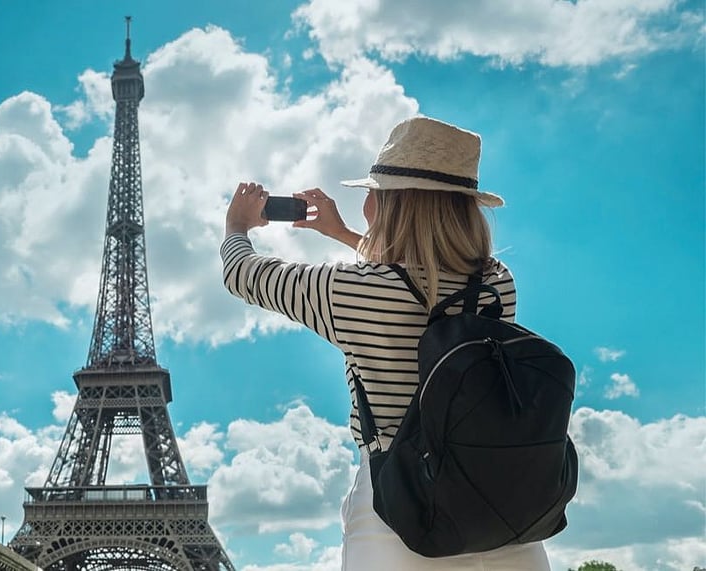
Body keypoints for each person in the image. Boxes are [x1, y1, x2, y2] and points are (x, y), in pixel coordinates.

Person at [221, 116, 550, 570]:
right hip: (505, 511)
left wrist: (236, 227)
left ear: (393, 205)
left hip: (400, 514)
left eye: (372, 193)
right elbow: (426, 280)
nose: (366, 203)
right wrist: (344, 235)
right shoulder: (497, 284)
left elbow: (243, 275)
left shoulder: (348, 291)